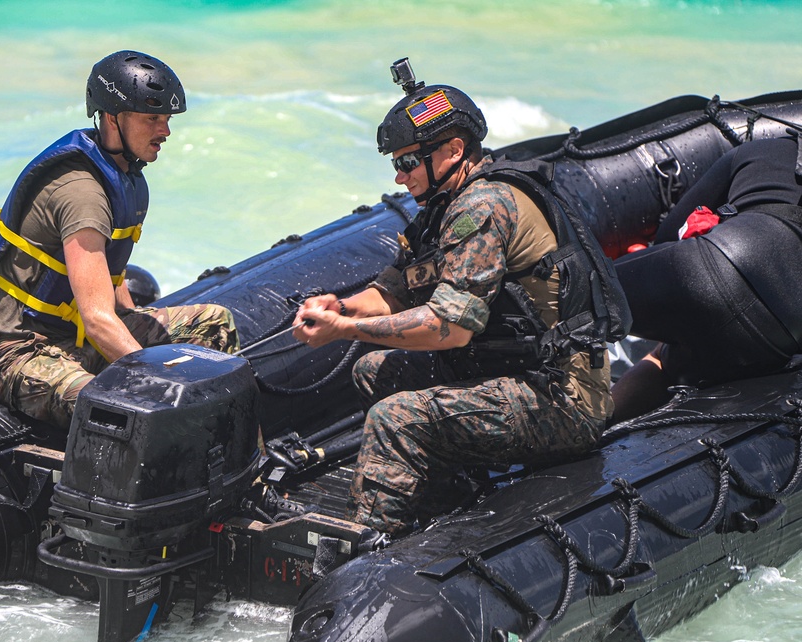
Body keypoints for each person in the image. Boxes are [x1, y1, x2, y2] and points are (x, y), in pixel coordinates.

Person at [292, 59, 625, 537]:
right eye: (396, 164)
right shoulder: (443, 210)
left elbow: (449, 328)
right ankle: (448, 495)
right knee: (373, 370)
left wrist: (346, 330)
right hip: (504, 373)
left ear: (452, 149)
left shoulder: (483, 206)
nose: (400, 178)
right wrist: (339, 307)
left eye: (407, 163)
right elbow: (392, 293)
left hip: (558, 396)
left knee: (395, 418)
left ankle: (361, 554)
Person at [0, 50, 238, 430]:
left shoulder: (125, 176)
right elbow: (97, 320)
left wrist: (142, 331)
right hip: (20, 353)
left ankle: (242, 465)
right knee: (125, 406)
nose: (165, 131)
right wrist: (163, 381)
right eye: (152, 119)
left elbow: (111, 284)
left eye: (166, 120)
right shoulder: (81, 192)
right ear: (113, 118)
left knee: (213, 322)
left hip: (79, 340)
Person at [611, 133, 802, 421]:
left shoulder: (767, 148)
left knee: (575, 294)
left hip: (715, 264)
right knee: (668, 361)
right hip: (778, 333)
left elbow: (669, 233)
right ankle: (593, 439)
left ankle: (560, 428)